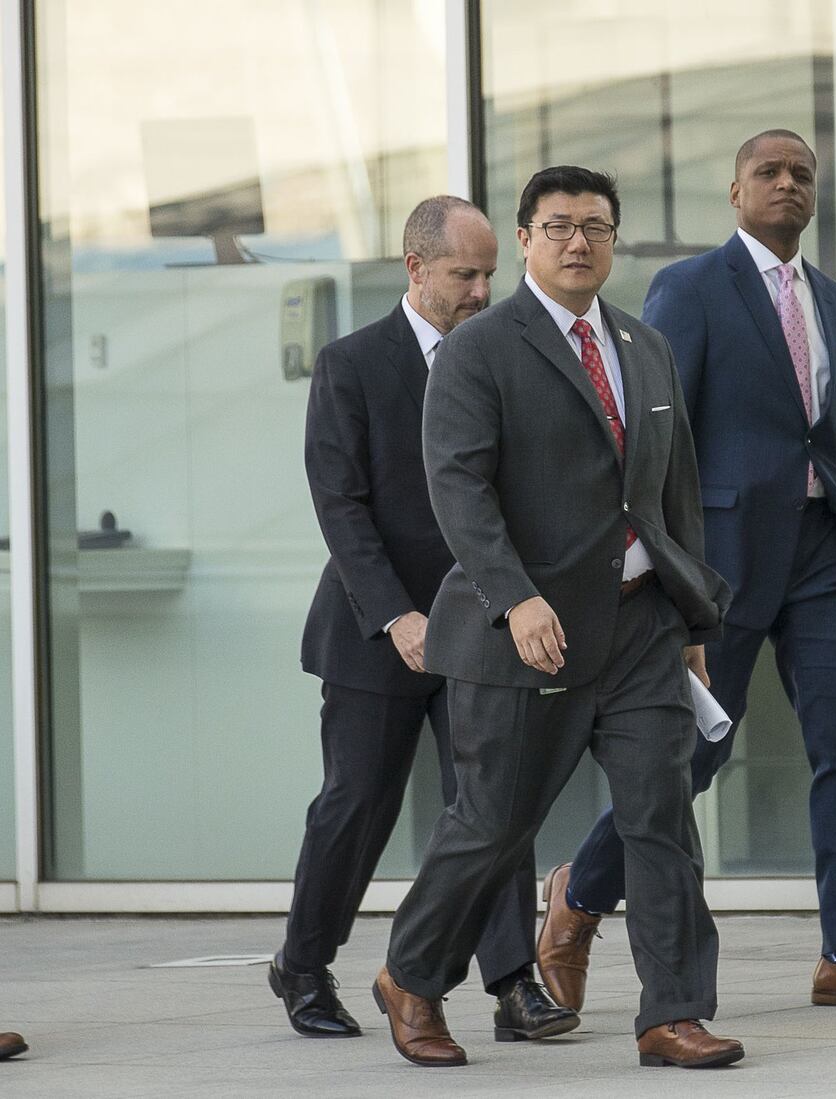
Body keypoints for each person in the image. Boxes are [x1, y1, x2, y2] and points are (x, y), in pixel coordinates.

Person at [540, 130, 836, 1012]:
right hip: (720, 558)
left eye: (802, 174)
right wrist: (661, 557)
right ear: (734, 191)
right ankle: (578, 894)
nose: (788, 185)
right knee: (692, 752)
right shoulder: (691, 287)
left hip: (824, 550)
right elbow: (656, 427)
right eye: (769, 172)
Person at [372, 166, 743, 1070]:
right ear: (527, 239)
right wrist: (516, 595)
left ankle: (672, 1012)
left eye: (597, 227)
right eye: (559, 226)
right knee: (493, 822)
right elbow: (457, 488)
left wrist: (691, 619)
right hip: (526, 631)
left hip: (641, 628)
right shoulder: (479, 348)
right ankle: (411, 976)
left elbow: (674, 490)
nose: (579, 242)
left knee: (661, 815)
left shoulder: (643, 346)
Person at [275, 195, 575, 1044]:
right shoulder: (353, 363)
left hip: (482, 621)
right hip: (381, 627)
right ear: (416, 269)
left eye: (490, 273)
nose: (483, 290)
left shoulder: (513, 356)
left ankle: (514, 982)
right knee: (357, 802)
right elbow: (342, 507)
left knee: (493, 801)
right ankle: (302, 964)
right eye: (464, 274)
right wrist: (396, 616)